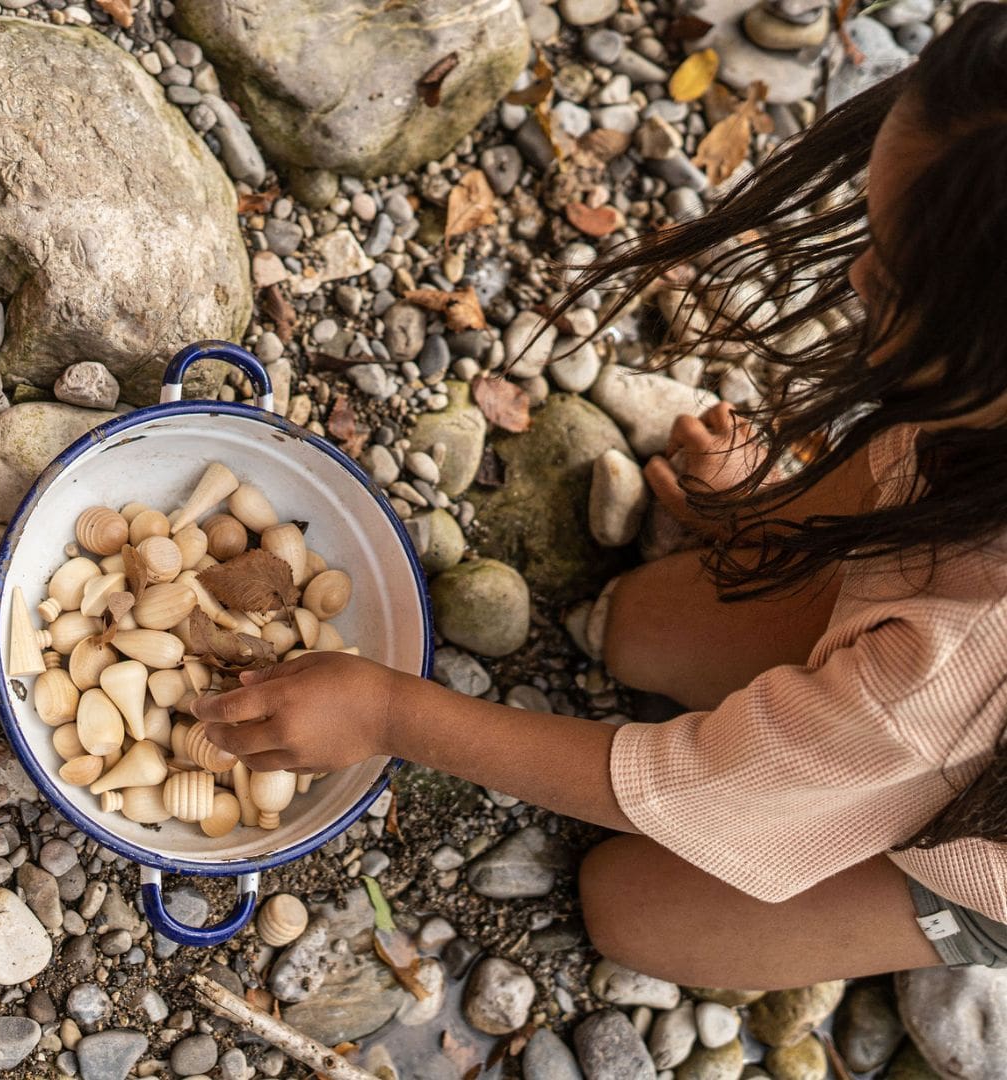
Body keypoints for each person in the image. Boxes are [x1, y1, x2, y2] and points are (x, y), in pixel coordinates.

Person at [197, 1, 1007, 989]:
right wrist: (771, 512)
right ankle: (832, 635)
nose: (848, 275)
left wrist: (393, 716)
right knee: (641, 627)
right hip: (961, 556)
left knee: (629, 908)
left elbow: (714, 788)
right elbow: (916, 456)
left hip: (988, 834)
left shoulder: (941, 675)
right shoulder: (979, 420)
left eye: (886, 278)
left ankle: (939, 906)